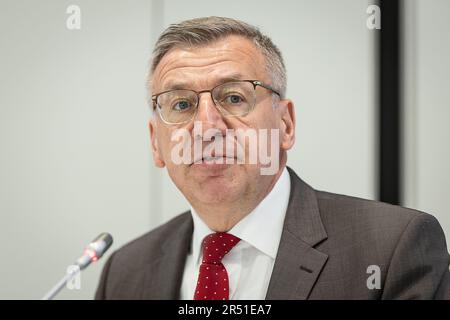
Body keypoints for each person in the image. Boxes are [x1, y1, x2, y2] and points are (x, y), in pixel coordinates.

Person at [95, 16, 449, 300]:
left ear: (285, 124)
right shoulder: (126, 272)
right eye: (182, 104)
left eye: (233, 97)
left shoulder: (392, 249)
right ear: (157, 144)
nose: (206, 127)